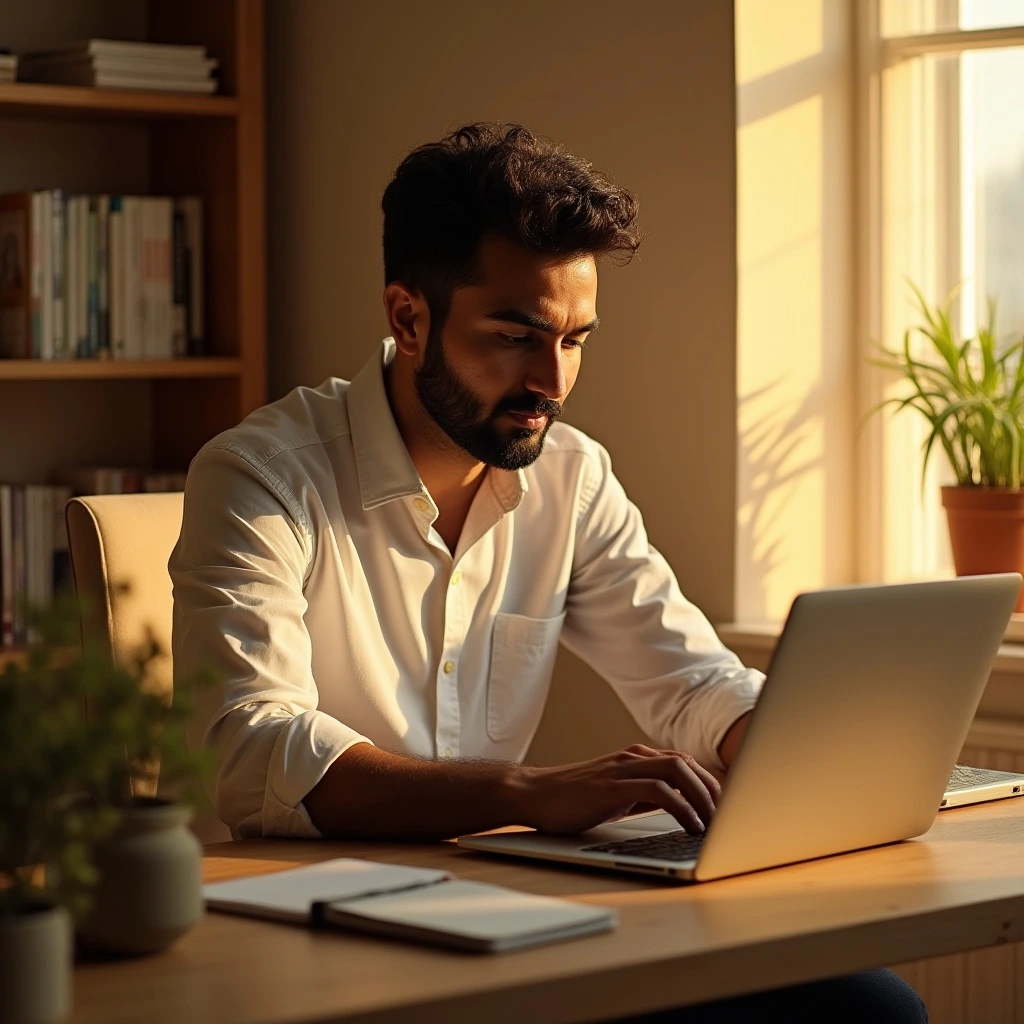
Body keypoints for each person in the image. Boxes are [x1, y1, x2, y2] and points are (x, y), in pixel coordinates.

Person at [170, 123, 927, 1023]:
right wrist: (527, 792)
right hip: (318, 929)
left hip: (511, 914)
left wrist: (800, 746)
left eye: (574, 340)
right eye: (517, 336)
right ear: (408, 317)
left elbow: (690, 680)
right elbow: (253, 750)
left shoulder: (571, 475)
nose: (554, 381)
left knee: (866, 1009)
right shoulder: (262, 475)